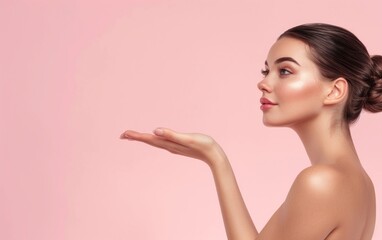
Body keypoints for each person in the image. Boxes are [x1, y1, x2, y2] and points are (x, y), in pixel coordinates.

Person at [120, 23, 382, 239]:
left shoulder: (322, 182)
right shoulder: (361, 185)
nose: (263, 82)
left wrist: (216, 158)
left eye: (285, 71)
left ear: (334, 91)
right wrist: (214, 158)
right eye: (267, 70)